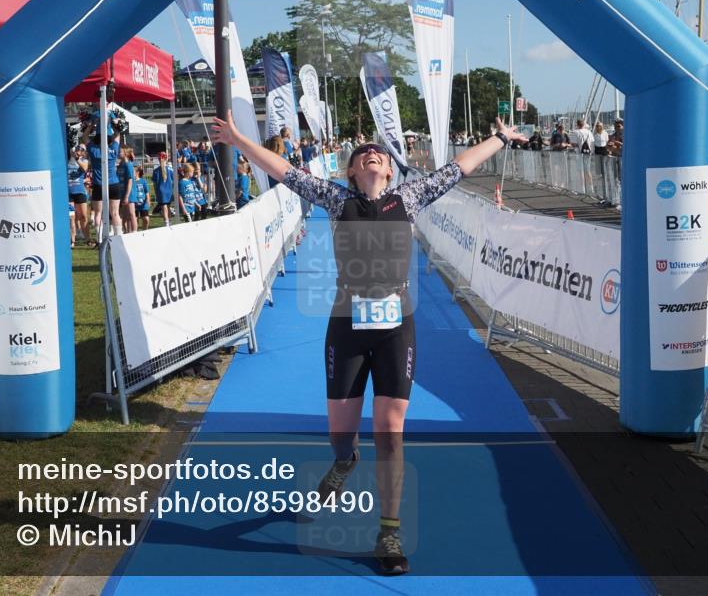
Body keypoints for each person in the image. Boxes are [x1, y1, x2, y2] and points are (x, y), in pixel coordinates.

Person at [212, 109, 528, 576]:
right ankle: (343, 461)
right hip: (347, 323)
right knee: (342, 432)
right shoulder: (338, 201)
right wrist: (238, 139)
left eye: (378, 152)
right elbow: (284, 170)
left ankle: (389, 531)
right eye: (364, 153)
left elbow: (460, 167)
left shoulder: (410, 197)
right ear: (353, 170)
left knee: (390, 430)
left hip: (397, 326)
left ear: (388, 168)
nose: (374, 153)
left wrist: (500, 138)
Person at [87, 119, 123, 242]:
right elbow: (118, 135)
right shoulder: (113, 148)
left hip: (99, 184)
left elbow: (84, 137)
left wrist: (91, 124)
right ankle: (119, 237)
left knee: (98, 213)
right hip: (113, 183)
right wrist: (115, 124)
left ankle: (99, 240)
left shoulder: (93, 149)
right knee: (115, 213)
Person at [67, 144, 90, 247]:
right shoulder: (68, 161)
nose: (78, 151)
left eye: (81, 150)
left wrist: (77, 159)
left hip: (80, 192)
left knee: (83, 216)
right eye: (77, 149)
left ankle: (87, 239)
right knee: (71, 217)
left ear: (83, 152)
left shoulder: (84, 161)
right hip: (69, 193)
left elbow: (84, 169)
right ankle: (72, 241)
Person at [152, 152, 175, 227]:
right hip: (169, 190)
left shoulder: (155, 171)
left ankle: (166, 223)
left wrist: (156, 193)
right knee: (168, 207)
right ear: (166, 158)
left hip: (161, 191)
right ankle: (170, 222)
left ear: (159, 159)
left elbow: (155, 184)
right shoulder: (170, 169)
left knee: (164, 208)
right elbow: (173, 181)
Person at [118, 147, 138, 234]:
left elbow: (130, 181)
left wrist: (126, 196)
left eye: (120, 152)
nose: (118, 153)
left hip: (129, 193)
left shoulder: (128, 165)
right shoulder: (120, 164)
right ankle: (126, 232)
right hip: (121, 192)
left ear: (125, 153)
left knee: (131, 213)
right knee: (124, 215)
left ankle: (134, 232)